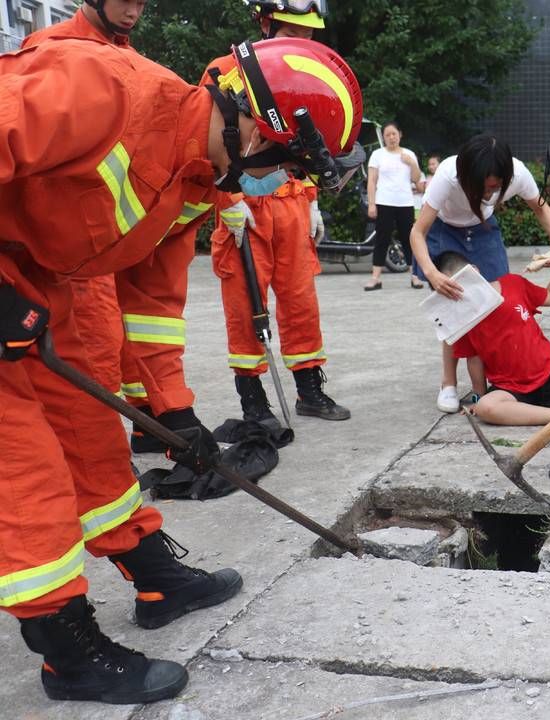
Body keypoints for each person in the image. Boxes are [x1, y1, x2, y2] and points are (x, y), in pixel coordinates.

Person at [0, 36, 363, 704]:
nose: (281, 181)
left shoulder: (196, 180)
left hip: (49, 285)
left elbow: (151, 307)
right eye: (285, 162)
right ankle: (65, 652)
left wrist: (173, 411)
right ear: (254, 129)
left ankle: (155, 578)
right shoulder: (101, 86)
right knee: (26, 470)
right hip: (7, 278)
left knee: (93, 437)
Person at [20, 0, 171, 454]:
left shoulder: (125, 54)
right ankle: (102, 477)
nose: (134, 11)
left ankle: (144, 429)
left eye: (142, 3)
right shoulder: (53, 47)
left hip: (115, 241)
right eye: (126, 0)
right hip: (72, 253)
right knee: (94, 364)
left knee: (128, 345)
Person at [204, 1, 352, 424]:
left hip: (292, 202)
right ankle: (255, 404)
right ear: (266, 23)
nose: (304, 42)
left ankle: (309, 391)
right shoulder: (226, 70)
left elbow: (308, 145)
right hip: (244, 203)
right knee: (246, 303)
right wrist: (228, 203)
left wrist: (313, 199)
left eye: (309, 34)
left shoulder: (306, 75)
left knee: (301, 301)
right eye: (294, 31)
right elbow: (209, 146)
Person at [410, 134, 550, 414]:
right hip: (445, 230)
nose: (487, 193)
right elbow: (417, 232)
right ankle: (448, 382)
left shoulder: (517, 173)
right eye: (480, 186)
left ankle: (498, 379)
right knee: (454, 304)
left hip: (483, 230)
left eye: (494, 187)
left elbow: (541, 209)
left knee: (496, 301)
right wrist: (432, 273)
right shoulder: (447, 175)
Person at [437, 251, 550, 426]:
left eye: (456, 285)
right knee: (485, 408)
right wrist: (477, 398)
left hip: (548, 375)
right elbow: (474, 360)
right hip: (510, 389)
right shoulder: (463, 320)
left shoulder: (513, 284)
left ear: (474, 271)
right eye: (447, 292)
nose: (456, 293)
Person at [365, 121, 425, 290]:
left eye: (394, 134)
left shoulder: (409, 154)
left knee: (409, 239)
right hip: (384, 202)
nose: (391, 137)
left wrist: (412, 163)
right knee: (382, 239)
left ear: (400, 134)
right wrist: (372, 204)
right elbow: (371, 181)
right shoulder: (378, 154)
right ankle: (375, 278)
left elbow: (417, 179)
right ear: (383, 138)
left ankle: (415, 276)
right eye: (387, 135)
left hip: (405, 203)